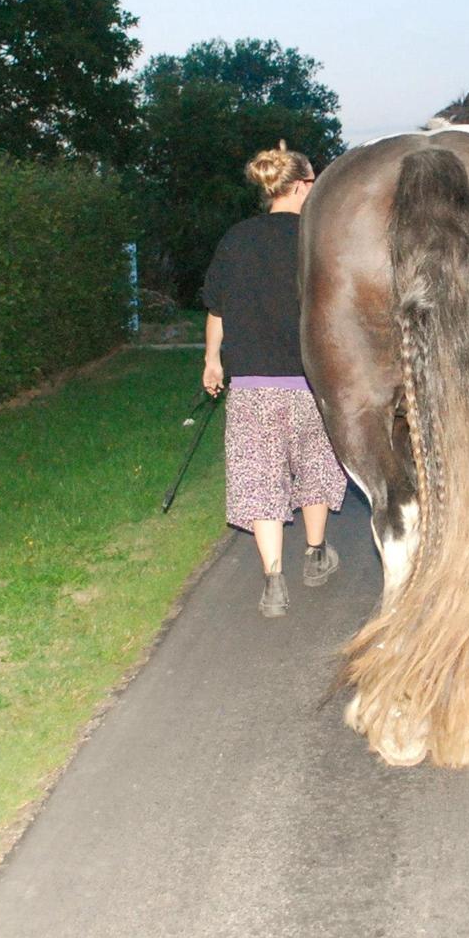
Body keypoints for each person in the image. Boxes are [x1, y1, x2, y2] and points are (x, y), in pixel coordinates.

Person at [201, 141, 347, 617]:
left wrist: (212, 360)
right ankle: (316, 553)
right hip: (313, 383)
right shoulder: (321, 238)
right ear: (304, 185)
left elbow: (216, 308)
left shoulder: (236, 239)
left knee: (259, 478)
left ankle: (273, 579)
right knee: (317, 470)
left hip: (252, 388)